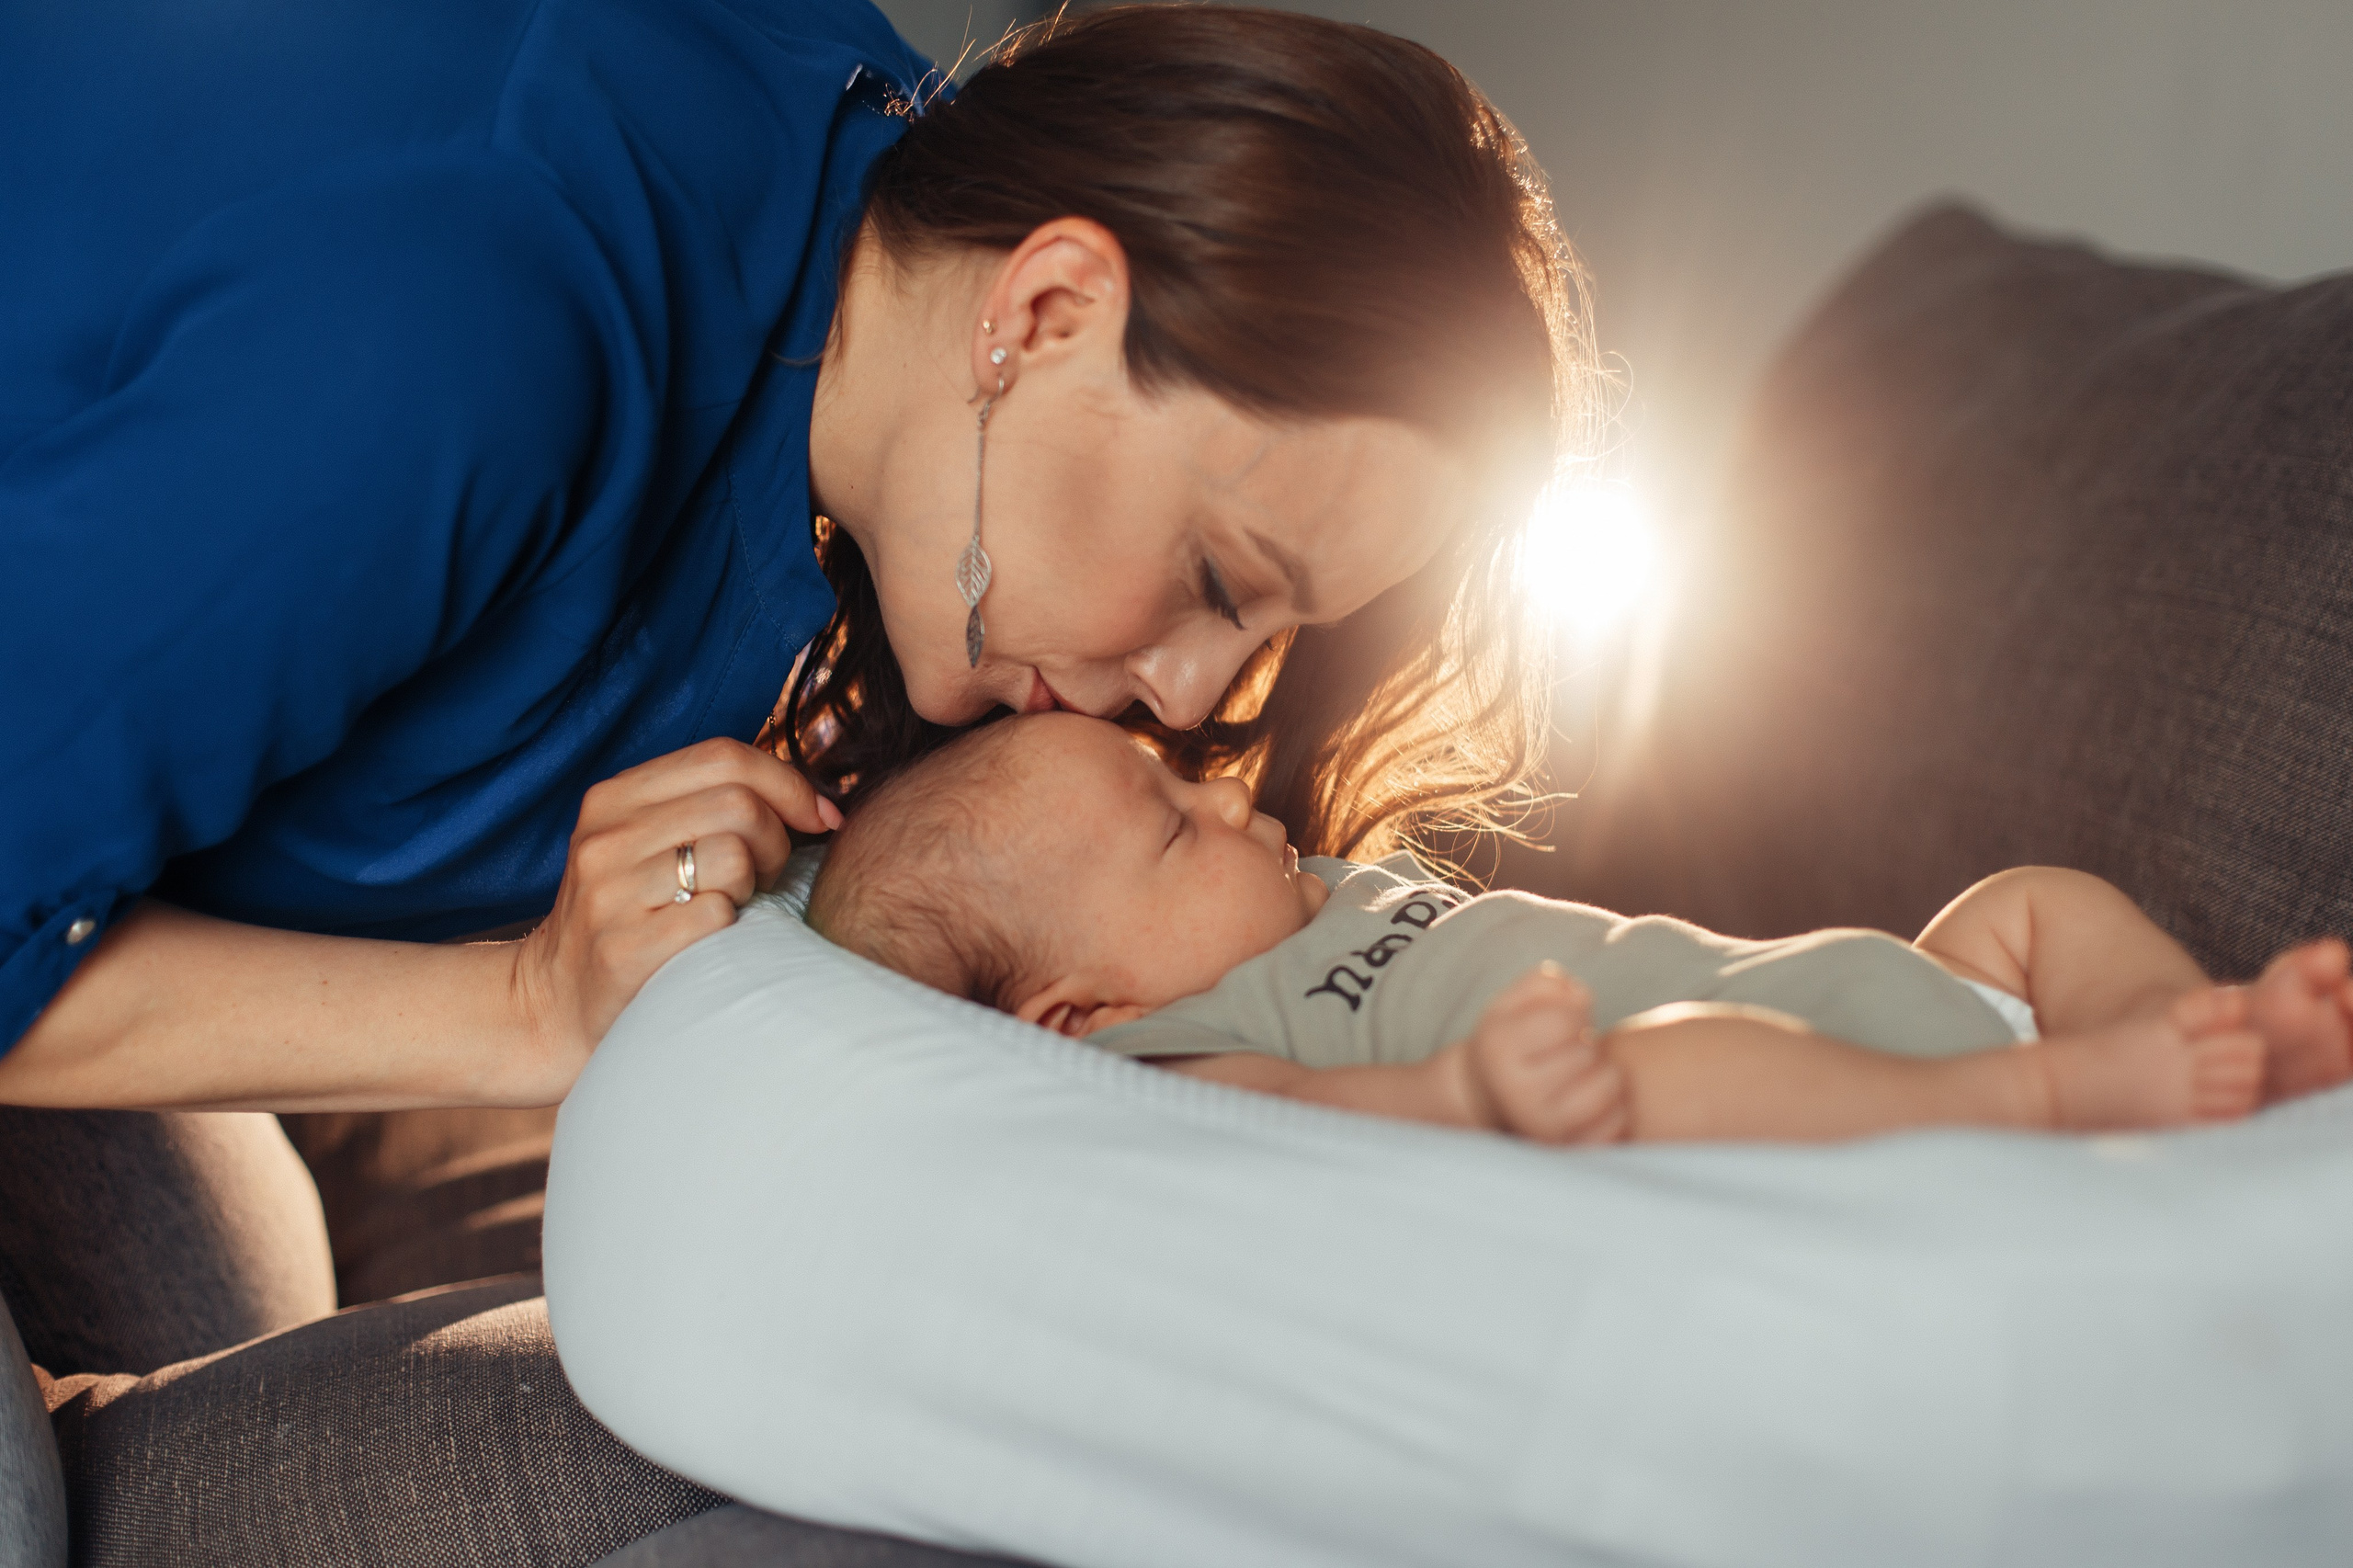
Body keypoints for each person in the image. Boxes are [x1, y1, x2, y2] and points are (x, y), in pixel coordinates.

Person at [0, 4, 1593, 1561]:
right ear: (1044, 311)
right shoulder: (460, 326)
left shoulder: (874, 233)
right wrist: (522, 1010)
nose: (1189, 689)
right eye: (1218, 574)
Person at [808, 712, 2353, 1141]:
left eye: (1185, 780)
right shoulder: (1173, 1053)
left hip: (1861, 987)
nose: (1226, 801)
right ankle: (2065, 1092)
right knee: (1663, 1061)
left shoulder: (1308, 885)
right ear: (1072, 1015)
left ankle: (2195, 1033)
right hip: (1749, 1099)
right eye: (1167, 827)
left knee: (2032, 905)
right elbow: (1323, 1116)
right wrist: (1471, 1095)